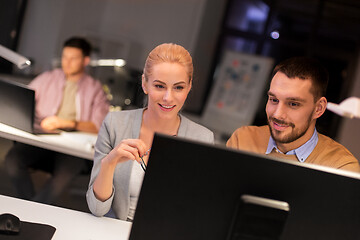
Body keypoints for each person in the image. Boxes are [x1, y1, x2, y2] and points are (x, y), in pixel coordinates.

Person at [86, 43, 214, 221]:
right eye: (159, 86)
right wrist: (110, 162)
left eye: (178, 87)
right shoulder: (115, 124)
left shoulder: (202, 138)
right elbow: (97, 208)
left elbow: (197, 210)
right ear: (145, 84)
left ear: (189, 86)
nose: (168, 97)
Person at [5, 37, 110, 204]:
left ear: (86, 60)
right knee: (12, 160)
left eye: (73, 58)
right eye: (64, 57)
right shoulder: (48, 78)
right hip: (43, 138)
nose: (67, 62)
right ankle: (29, 205)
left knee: (63, 177)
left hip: (71, 148)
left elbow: (100, 126)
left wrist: (67, 123)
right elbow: (23, 101)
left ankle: (31, 210)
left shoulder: (94, 88)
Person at [227, 56, 360, 172]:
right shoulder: (243, 140)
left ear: (318, 108)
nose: (278, 114)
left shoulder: (341, 167)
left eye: (293, 104)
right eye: (274, 100)